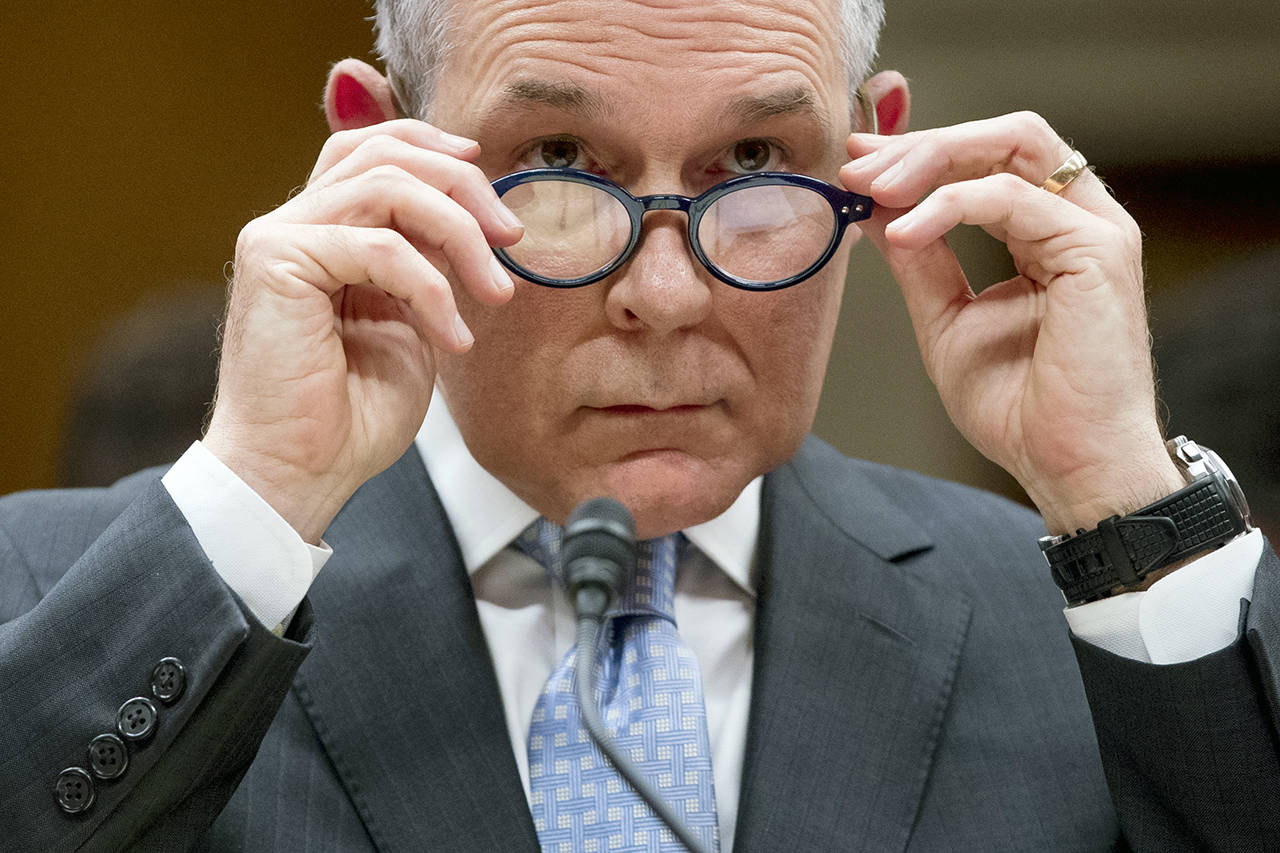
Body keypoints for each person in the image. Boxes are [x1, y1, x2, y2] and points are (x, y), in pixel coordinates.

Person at [1, 1, 1276, 850]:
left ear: (869, 162)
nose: (665, 296)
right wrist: (258, 502)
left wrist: (1126, 501)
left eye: (754, 167)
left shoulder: (1094, 634)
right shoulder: (58, 595)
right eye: (561, 156)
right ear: (374, 144)